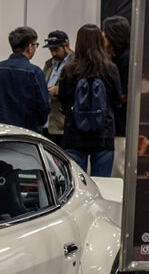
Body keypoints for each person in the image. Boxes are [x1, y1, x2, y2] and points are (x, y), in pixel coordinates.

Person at [57, 23, 123, 177]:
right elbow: (117, 101)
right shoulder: (110, 69)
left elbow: (63, 101)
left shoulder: (69, 70)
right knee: (102, 184)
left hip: (74, 134)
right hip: (103, 135)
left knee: (77, 184)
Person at [0, 26, 51, 132]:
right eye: (35, 45)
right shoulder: (35, 72)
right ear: (29, 47)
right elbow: (44, 107)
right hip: (26, 133)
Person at [102, 15, 131, 177]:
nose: (102, 36)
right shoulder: (112, 58)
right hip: (113, 124)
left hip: (120, 124)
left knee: (118, 169)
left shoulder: (126, 59)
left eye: (105, 32)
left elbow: (124, 94)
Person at [41, 30, 72, 147]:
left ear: (66, 46)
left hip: (63, 124)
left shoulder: (76, 63)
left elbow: (78, 89)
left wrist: (58, 91)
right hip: (46, 122)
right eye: (51, 50)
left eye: (56, 50)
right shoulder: (49, 64)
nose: (53, 53)